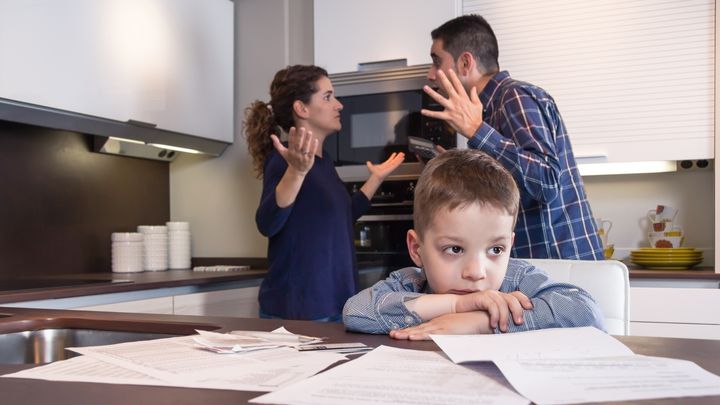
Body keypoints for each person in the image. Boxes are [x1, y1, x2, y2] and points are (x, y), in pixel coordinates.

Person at [343, 149, 605, 339]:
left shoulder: (516, 279)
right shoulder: (411, 281)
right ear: (416, 249)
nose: (476, 272)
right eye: (455, 249)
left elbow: (587, 312)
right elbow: (355, 312)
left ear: (510, 247)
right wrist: (456, 306)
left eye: (495, 250)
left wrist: (480, 322)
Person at [421, 14, 603, 260]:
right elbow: (510, 190)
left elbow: (546, 182)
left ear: (465, 63)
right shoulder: (487, 110)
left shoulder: (513, 97)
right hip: (537, 266)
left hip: (560, 267)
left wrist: (477, 131)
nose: (431, 75)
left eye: (436, 62)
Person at [244, 65, 405, 321]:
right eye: (328, 97)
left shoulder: (325, 162)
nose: (338, 105)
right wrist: (296, 172)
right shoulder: (284, 160)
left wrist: (376, 179)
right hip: (301, 310)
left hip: (335, 304)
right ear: (302, 109)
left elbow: (343, 216)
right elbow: (267, 222)